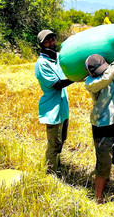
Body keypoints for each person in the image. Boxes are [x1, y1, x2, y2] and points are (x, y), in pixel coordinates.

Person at [84, 42, 114, 204]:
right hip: (102, 126)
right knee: (103, 162)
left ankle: (105, 180)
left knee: (113, 156)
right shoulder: (91, 83)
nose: (101, 73)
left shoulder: (112, 73)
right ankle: (98, 198)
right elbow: (106, 78)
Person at [35, 29, 75, 174]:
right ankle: (50, 173)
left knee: (62, 139)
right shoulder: (41, 64)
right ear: (41, 44)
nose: (52, 43)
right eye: (47, 40)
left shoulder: (58, 58)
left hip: (63, 107)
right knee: (54, 144)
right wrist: (76, 77)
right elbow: (57, 84)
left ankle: (57, 165)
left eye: (53, 39)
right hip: (52, 109)